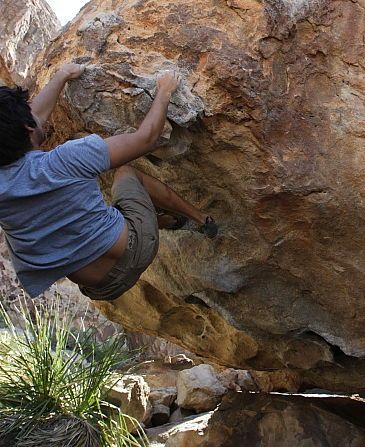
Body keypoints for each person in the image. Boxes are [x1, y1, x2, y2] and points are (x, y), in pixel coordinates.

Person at [0, 62, 217, 302]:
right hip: (136, 248)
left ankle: (163, 220)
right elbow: (147, 139)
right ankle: (202, 219)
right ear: (27, 129)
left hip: (102, 289)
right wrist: (165, 90)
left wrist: (62, 76)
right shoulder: (66, 159)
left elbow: (33, 121)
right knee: (126, 173)